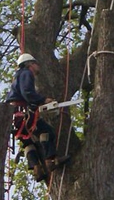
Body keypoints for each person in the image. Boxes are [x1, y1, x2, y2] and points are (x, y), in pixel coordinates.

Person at [5, 53, 70, 182]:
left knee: (28, 142)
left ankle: (37, 169)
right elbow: (27, 92)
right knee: (46, 131)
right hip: (21, 112)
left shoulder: (18, 77)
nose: (37, 66)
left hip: (13, 115)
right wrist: (43, 100)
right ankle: (50, 160)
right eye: (36, 63)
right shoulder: (26, 73)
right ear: (30, 64)